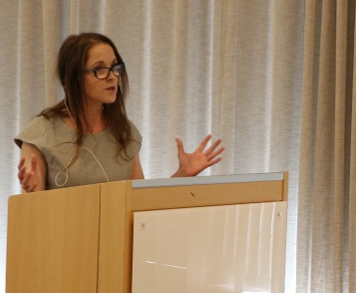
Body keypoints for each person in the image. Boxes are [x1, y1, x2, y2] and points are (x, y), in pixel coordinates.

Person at [15, 32, 224, 192]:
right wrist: (32, 194)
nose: (112, 76)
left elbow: (138, 204)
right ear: (74, 78)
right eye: (100, 68)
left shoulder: (124, 132)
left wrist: (182, 175)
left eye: (115, 67)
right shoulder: (41, 133)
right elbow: (33, 216)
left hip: (115, 245)